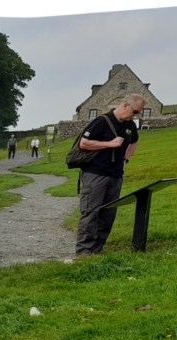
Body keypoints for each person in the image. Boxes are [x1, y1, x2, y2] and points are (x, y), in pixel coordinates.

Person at [75, 94, 144, 255]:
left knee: (108, 213)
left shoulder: (129, 126)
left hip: (115, 175)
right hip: (95, 174)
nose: (134, 116)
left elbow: (135, 141)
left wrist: (126, 159)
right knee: (91, 212)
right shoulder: (101, 122)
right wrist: (109, 144)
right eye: (134, 111)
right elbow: (84, 143)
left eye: (138, 113)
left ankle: (98, 248)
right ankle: (84, 250)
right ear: (125, 105)